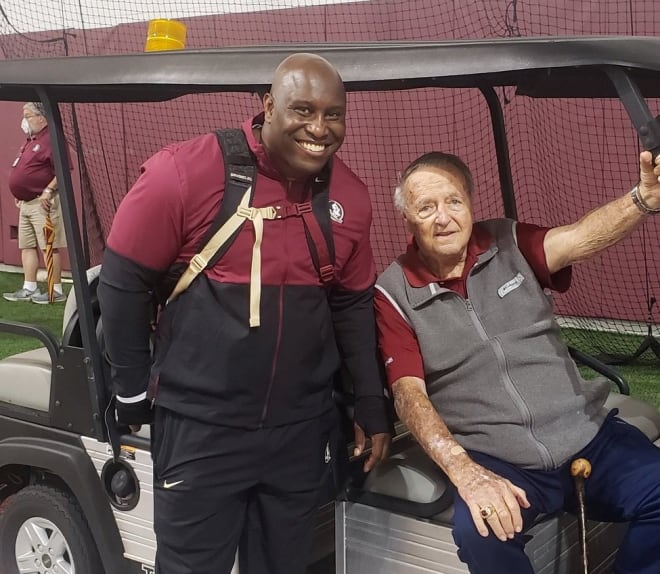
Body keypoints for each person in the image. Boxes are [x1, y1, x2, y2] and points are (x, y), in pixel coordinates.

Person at [97, 53, 391, 574]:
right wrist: (130, 390)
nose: (319, 129)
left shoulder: (352, 197)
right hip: (201, 429)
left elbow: (351, 304)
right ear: (266, 106)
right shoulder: (184, 172)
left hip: (300, 432)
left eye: (334, 115)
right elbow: (122, 281)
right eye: (302, 110)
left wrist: (370, 401)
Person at [375, 150, 660, 574]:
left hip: (584, 435)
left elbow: (580, 237)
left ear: (471, 203)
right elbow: (407, 393)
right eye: (426, 207)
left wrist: (642, 198)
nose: (443, 218)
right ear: (408, 219)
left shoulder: (506, 240)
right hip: (497, 458)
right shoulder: (394, 291)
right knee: (481, 534)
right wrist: (464, 471)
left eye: (453, 201)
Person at [3, 102, 68, 304]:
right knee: (27, 246)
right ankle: (29, 287)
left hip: (43, 203)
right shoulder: (31, 140)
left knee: (49, 246)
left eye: (28, 115)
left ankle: (55, 290)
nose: (24, 121)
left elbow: (63, 170)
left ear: (42, 118)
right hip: (26, 203)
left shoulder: (52, 138)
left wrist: (48, 190)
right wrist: (20, 191)